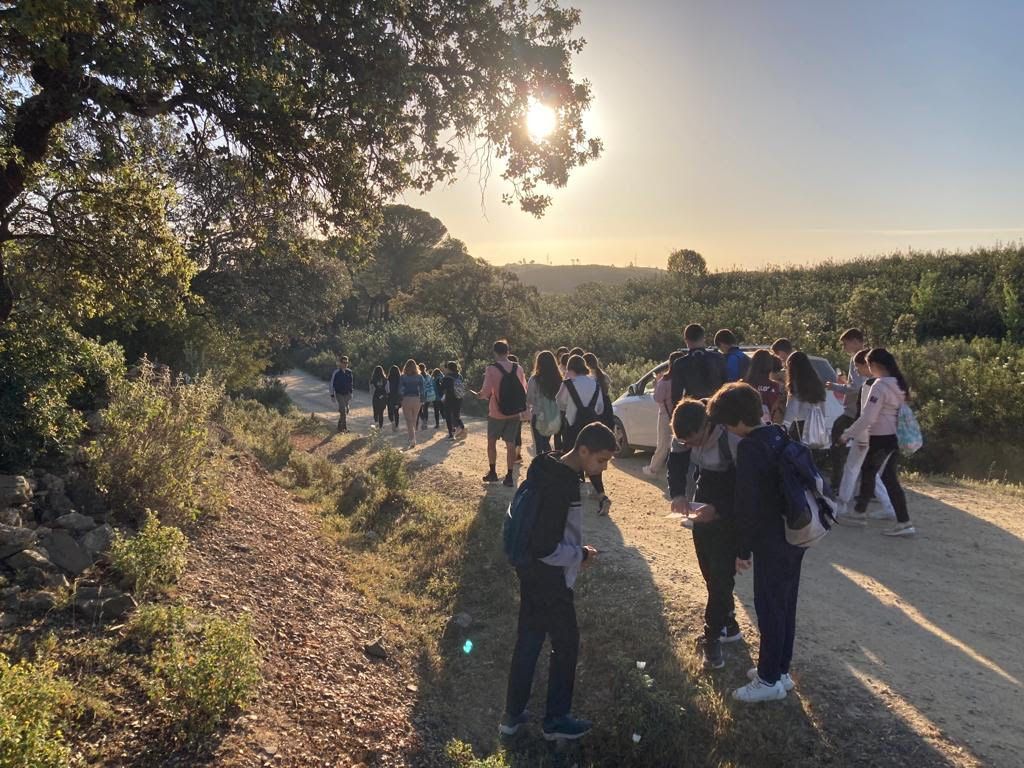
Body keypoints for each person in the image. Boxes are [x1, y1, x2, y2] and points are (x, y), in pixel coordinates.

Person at [500, 422, 615, 741]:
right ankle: (556, 720)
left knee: (529, 639)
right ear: (583, 451)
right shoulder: (561, 485)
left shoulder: (547, 465)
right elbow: (546, 547)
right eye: (601, 460)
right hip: (550, 579)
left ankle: (512, 716)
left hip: (529, 573)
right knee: (566, 644)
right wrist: (580, 555)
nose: (603, 468)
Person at [707, 383, 804, 703]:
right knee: (785, 605)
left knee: (769, 608)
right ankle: (780, 671)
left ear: (736, 421)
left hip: (770, 538)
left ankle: (767, 680)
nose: (727, 430)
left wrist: (742, 549)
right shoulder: (779, 433)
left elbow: (746, 504)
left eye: (726, 424)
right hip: (794, 534)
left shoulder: (750, 447)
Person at [672, 399, 744, 670]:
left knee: (721, 576)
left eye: (694, 440)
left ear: (707, 425)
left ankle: (712, 639)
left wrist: (719, 510)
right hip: (702, 501)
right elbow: (676, 464)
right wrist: (678, 494)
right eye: (685, 442)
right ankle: (729, 624)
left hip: (730, 510)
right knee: (708, 571)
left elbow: (746, 488)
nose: (690, 446)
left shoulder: (731, 440)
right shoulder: (684, 436)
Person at [838, 348, 915, 536]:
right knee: (885, 477)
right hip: (895, 437)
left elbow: (868, 417)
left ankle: (860, 514)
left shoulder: (879, 386)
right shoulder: (899, 384)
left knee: (869, 474)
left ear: (873, 365)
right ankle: (903, 522)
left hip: (880, 437)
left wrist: (848, 433)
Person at [668, 324, 726, 509]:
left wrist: (677, 419)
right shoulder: (718, 358)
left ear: (686, 340)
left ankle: (693, 503)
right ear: (704, 338)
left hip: (693, 416)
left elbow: (676, 396)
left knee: (693, 469)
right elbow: (727, 387)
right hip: (716, 414)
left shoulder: (681, 363)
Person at [834, 350, 895, 520]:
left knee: (851, 468)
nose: (856, 369)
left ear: (867, 365)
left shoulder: (870, 385)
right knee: (870, 471)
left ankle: (842, 505)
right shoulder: (891, 382)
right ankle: (889, 506)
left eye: (857, 366)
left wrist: (849, 434)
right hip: (885, 434)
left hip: (866, 434)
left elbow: (866, 415)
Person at [557, 355, 611, 515]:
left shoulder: (568, 384)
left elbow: (560, 403)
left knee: (569, 462)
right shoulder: (595, 384)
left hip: (572, 428)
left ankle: (567, 500)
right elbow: (600, 408)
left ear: (570, 368)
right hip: (591, 429)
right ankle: (602, 496)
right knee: (593, 463)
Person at [478, 340, 529, 487]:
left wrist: (480, 395)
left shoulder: (491, 369)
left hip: (497, 412)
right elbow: (524, 389)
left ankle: (493, 472)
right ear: (508, 351)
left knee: (491, 442)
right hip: (514, 412)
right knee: (510, 443)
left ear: (495, 352)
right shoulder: (518, 368)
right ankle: (509, 476)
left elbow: (486, 391)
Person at [825, 328, 867, 488]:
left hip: (854, 411)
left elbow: (856, 387)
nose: (844, 348)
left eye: (845, 344)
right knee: (863, 449)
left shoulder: (857, 359)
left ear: (855, 341)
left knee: (838, 442)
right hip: (864, 410)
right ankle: (866, 486)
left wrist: (835, 386)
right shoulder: (870, 357)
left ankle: (837, 482)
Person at [642, 351, 684, 477]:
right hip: (682, 414)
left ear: (670, 363)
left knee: (662, 445)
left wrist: (656, 384)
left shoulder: (665, 380)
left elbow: (658, 398)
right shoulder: (685, 379)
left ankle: (653, 469)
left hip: (666, 416)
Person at [528, 351, 563, 455]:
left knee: (539, 445)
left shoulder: (534, 379)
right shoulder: (559, 379)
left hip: (538, 414)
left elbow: (529, 399)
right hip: (553, 415)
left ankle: (542, 461)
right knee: (546, 442)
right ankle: (550, 459)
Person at [743, 349, 785, 424]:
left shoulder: (742, 385)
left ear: (753, 363)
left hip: (746, 426)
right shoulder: (777, 387)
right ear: (770, 365)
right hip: (768, 427)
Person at [399, 359, 424, 449]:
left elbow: (400, 389)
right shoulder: (419, 377)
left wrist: (401, 399)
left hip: (406, 398)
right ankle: (412, 437)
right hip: (417, 399)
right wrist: (422, 400)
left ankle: (412, 438)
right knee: (414, 419)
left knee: (408, 420)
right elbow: (422, 389)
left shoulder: (403, 377)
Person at [441, 361, 467, 440]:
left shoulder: (446, 377)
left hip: (449, 398)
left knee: (448, 416)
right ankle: (462, 427)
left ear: (449, 369)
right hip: (459, 397)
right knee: (456, 415)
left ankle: (451, 434)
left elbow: (442, 388)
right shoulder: (459, 376)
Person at [329, 356, 354, 433]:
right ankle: (344, 428)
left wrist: (351, 392)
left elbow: (351, 383)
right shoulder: (336, 372)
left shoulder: (349, 372)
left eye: (346, 362)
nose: (345, 364)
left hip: (347, 394)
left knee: (345, 411)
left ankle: (339, 425)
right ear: (340, 363)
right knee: (343, 410)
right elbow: (331, 384)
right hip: (339, 394)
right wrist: (332, 395)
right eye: (343, 362)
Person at [369, 365, 388, 430]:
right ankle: (380, 426)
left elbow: (371, 390)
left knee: (375, 411)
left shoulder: (372, 380)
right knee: (381, 413)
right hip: (383, 398)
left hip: (376, 398)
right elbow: (387, 390)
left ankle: (376, 422)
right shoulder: (385, 380)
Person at [418, 363, 436, 431]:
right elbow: (431, 384)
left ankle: (424, 421)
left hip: (422, 395)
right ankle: (425, 422)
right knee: (425, 409)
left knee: (419, 410)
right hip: (429, 394)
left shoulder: (418, 376)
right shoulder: (428, 376)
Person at [387, 365, 402, 432]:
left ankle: (392, 421)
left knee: (390, 412)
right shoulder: (400, 379)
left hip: (390, 398)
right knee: (396, 412)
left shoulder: (388, 379)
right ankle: (396, 425)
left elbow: (387, 389)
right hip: (397, 398)